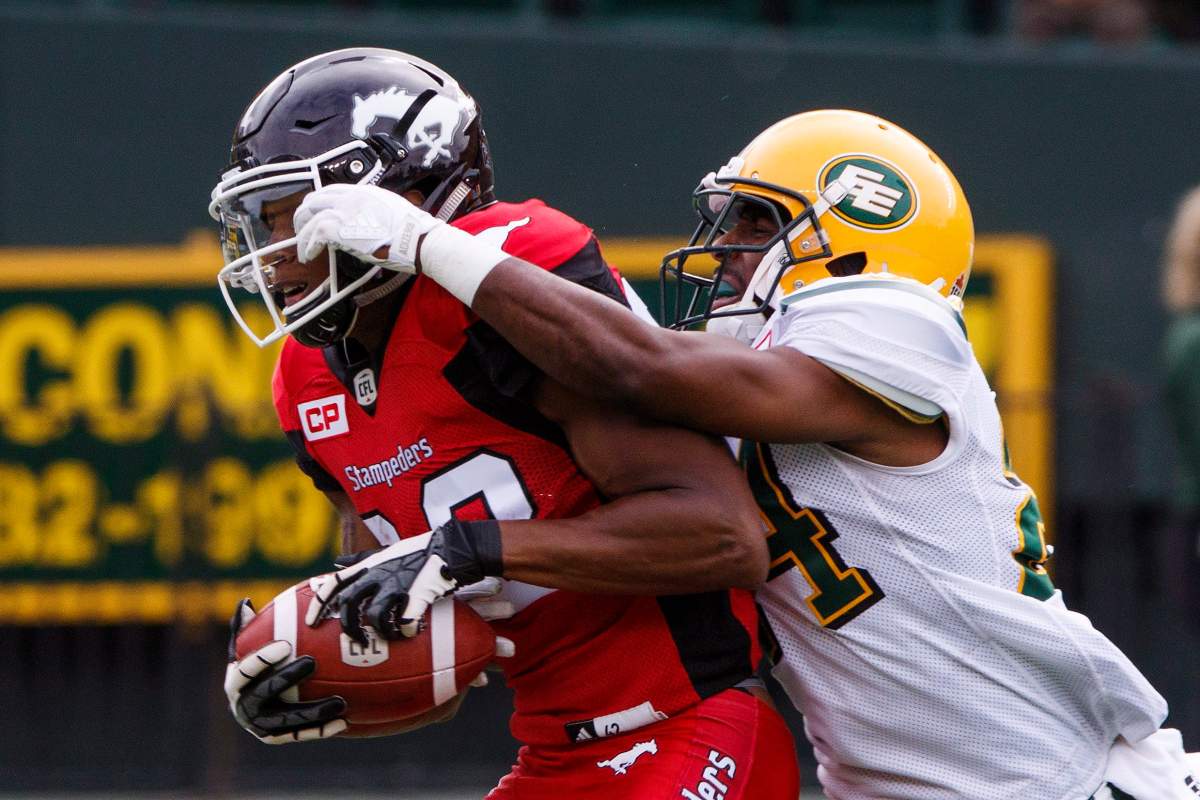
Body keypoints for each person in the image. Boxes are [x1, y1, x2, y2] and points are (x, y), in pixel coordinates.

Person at [294, 109, 1200, 799]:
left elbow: (634, 364)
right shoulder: (748, 370)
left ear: (863, 235)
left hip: (1061, 776)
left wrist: (428, 244)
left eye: (761, 226)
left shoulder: (897, 322)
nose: (726, 253)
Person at [209, 48, 798, 800]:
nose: (272, 254)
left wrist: (470, 548)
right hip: (553, 757)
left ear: (406, 193)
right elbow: (443, 662)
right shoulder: (304, 378)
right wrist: (310, 682)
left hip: (690, 724)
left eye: (296, 212)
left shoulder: (512, 271)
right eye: (260, 220)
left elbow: (723, 537)